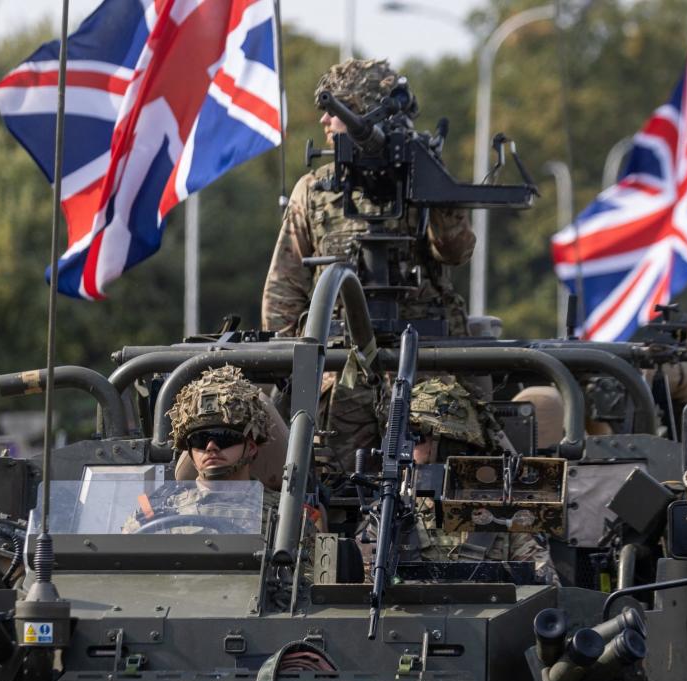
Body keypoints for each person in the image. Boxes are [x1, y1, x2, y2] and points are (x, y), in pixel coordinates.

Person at [261, 58, 476, 471]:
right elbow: (284, 289)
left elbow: (456, 251)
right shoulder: (315, 189)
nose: (326, 119)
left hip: (425, 360)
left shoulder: (422, 175)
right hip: (342, 365)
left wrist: (433, 184)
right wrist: (291, 368)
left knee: (437, 475)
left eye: (339, 108)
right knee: (338, 478)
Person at [399, 377, 558, 583]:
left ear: (447, 444)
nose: (406, 447)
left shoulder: (506, 517)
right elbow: (359, 595)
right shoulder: (390, 512)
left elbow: (546, 594)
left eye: (416, 437)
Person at [124, 366, 280, 534]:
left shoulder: (284, 513)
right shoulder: (154, 510)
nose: (210, 447)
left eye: (225, 437)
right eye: (199, 440)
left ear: (250, 448)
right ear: (190, 451)